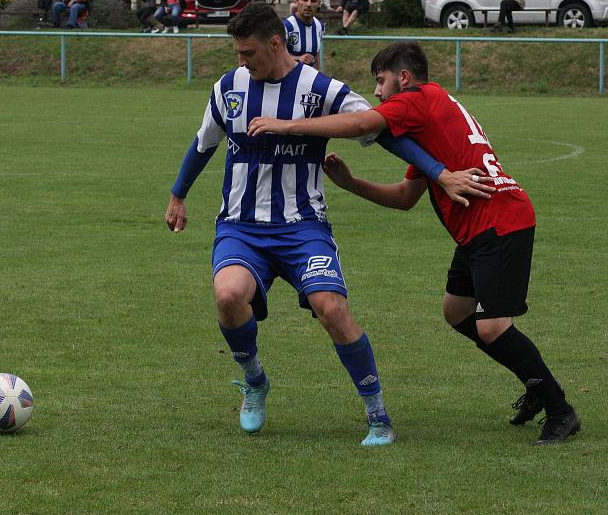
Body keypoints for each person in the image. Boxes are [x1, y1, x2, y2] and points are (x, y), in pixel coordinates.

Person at [164, 4, 488, 446]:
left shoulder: (322, 89)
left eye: (249, 53)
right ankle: (255, 381)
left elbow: (386, 133)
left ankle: (378, 415)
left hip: (303, 226)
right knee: (227, 296)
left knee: (333, 309)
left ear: (275, 44)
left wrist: (439, 173)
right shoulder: (228, 88)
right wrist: (178, 195)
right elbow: (203, 144)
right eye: (238, 54)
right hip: (241, 226)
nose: (242, 62)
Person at [247, 42, 581, 445]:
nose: (377, 93)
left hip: (500, 221)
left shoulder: (419, 99)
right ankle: (536, 384)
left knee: (493, 327)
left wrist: (285, 125)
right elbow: (405, 198)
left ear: (403, 78)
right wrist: (351, 184)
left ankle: (560, 408)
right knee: (457, 312)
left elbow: (359, 124)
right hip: (480, 227)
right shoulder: (433, 118)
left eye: (381, 81)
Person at [284, 0, 324, 70]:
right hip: (289, 80)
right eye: (305, 0)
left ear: (319, 3)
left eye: (313, 1)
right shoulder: (287, 26)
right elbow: (276, 56)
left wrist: (319, 76)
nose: (309, 4)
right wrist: (298, 58)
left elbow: (316, 55)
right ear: (297, 1)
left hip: (309, 81)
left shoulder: (320, 26)